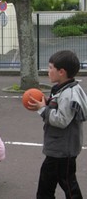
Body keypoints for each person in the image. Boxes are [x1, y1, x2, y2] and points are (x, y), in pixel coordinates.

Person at [29, 50, 87, 199]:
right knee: (52, 184)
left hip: (62, 151)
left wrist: (42, 109)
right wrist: (47, 103)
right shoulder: (64, 88)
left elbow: (61, 120)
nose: (47, 71)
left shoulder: (69, 94)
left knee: (66, 185)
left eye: (50, 68)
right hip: (59, 149)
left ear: (61, 72)